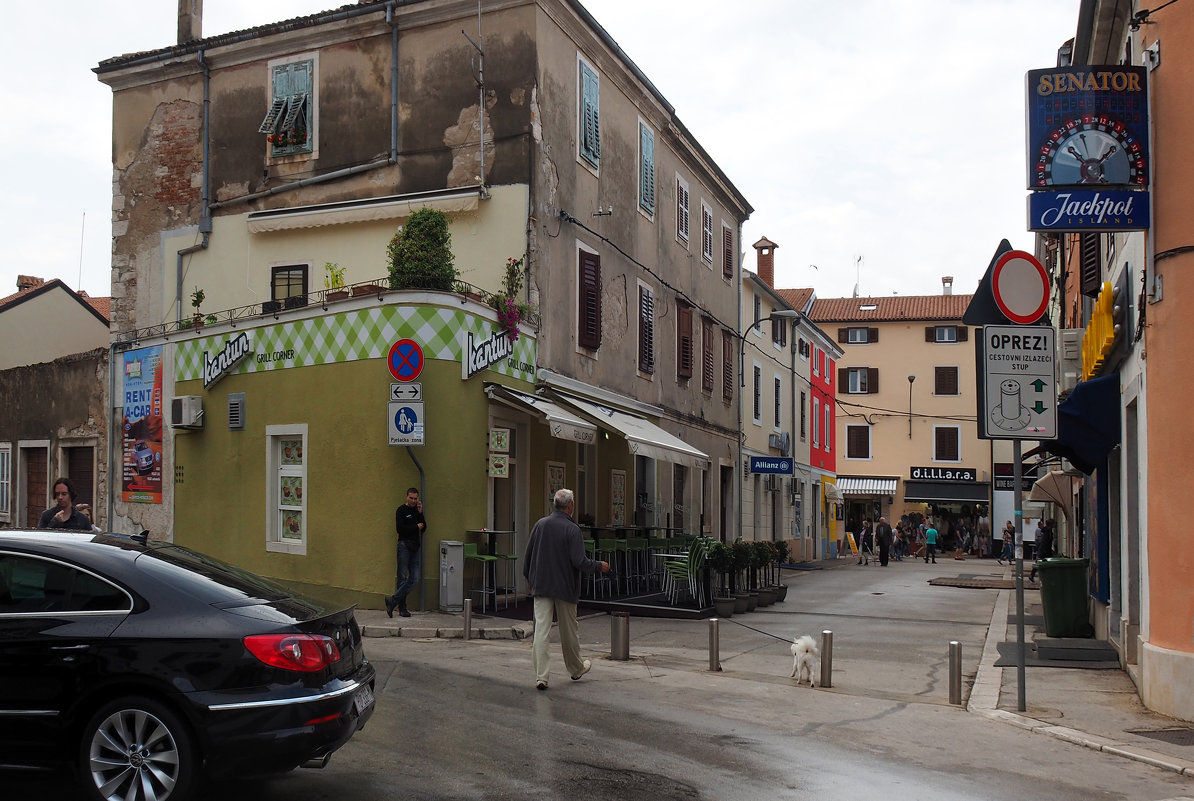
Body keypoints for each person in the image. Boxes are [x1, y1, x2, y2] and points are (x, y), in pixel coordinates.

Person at [523, 488, 610, 691]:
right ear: (570, 506)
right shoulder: (572, 530)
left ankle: (541, 676)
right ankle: (576, 668)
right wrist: (600, 566)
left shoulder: (540, 525)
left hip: (542, 585)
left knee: (541, 631)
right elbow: (579, 561)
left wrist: (529, 577)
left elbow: (528, 554)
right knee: (569, 630)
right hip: (565, 587)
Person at [385, 487, 426, 618]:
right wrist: (415, 527)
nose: (413, 501)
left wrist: (420, 513)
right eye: (411, 498)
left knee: (414, 578)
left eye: (415, 498)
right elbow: (400, 529)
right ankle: (402, 608)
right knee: (402, 577)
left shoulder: (417, 511)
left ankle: (393, 600)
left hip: (415, 547)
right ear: (406, 497)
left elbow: (424, 528)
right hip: (404, 545)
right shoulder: (401, 510)